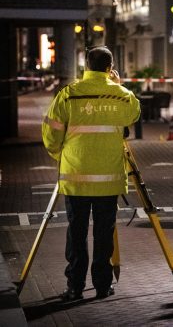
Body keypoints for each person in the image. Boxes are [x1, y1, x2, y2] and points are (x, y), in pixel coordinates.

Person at [42, 46, 140, 301]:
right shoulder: (121, 95)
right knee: (103, 234)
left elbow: (51, 134)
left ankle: (74, 287)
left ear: (85, 66)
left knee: (76, 233)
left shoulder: (68, 95)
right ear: (110, 68)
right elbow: (134, 114)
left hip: (76, 177)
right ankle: (102, 286)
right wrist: (117, 84)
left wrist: (61, 156)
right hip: (108, 179)